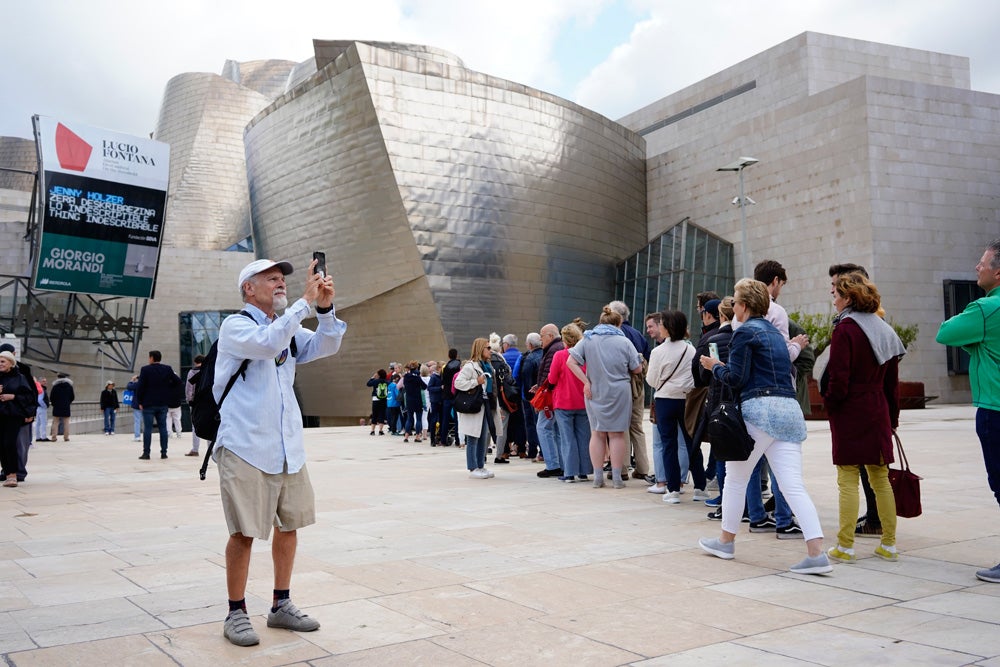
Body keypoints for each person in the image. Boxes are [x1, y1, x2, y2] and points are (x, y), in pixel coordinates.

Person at [214, 256, 346, 646]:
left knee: (288, 526)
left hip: (288, 446)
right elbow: (267, 344)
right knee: (244, 531)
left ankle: (280, 605)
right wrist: (304, 304)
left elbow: (326, 344)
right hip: (246, 446)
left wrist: (323, 308)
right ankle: (235, 611)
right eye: (270, 279)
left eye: (282, 279)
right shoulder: (235, 326)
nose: (279, 283)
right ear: (248, 289)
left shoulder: (285, 327)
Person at [698, 278, 832, 575]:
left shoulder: (744, 332)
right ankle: (816, 552)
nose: (732, 306)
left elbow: (735, 378)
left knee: (735, 479)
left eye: (734, 301)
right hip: (788, 412)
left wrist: (714, 366)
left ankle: (725, 541)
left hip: (759, 411)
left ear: (744, 306)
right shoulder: (775, 333)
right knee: (793, 484)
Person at [823, 272, 905, 564]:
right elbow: (892, 383)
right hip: (878, 408)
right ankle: (889, 544)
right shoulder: (884, 329)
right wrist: (892, 418)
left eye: (836, 294)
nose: (833, 298)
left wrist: (830, 406)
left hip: (850, 411)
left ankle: (845, 547)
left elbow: (838, 379)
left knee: (847, 479)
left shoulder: (845, 329)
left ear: (847, 298)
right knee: (880, 478)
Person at [936, 238, 1000, 583]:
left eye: (983, 262)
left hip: (995, 408)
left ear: (998, 271)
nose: (977, 267)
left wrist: (976, 340)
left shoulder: (985, 310)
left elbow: (945, 333)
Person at [566, 305, 643, 488]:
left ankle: (598, 477)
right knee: (617, 435)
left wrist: (586, 381)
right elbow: (637, 369)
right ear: (619, 323)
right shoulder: (624, 342)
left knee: (597, 433)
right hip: (619, 391)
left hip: (595, 391)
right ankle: (617, 478)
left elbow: (571, 361)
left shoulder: (588, 339)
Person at [646, 310, 707, 502]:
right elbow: (695, 376)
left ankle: (672, 490)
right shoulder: (691, 350)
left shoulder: (658, 351)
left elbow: (651, 380)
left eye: (662, 324)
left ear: (668, 327)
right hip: (687, 400)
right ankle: (700, 487)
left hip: (665, 400)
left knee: (669, 445)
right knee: (692, 443)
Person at [697, 297, 736, 518]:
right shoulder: (742, 337)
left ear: (721, 315)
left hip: (719, 398)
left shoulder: (714, 339)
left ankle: (725, 499)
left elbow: (704, 374)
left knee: (721, 451)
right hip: (740, 399)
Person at [608, 300, 653, 482]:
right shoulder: (638, 334)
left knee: (621, 426)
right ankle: (642, 468)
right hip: (638, 386)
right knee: (637, 426)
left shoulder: (615, 335)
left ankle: (622, 468)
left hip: (621, 385)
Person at [547, 323, 591, 482]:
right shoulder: (585, 354)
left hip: (563, 402)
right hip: (583, 401)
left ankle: (569, 473)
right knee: (583, 437)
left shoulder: (560, 355)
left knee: (567, 438)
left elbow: (551, 378)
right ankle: (584, 471)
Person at [455, 337, 495, 479]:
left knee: (483, 437)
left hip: (484, 405)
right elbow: (458, 383)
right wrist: (475, 382)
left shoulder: (487, 366)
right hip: (473, 406)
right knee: (473, 437)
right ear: (480, 349)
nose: (490, 351)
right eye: (488, 348)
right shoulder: (470, 366)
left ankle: (480, 465)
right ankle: (473, 467)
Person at [135, 351, 182, 460]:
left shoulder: (145, 369)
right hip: (162, 403)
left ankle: (146, 453)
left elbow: (140, 387)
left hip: (148, 403)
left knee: (148, 428)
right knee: (163, 428)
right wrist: (167, 388)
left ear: (151, 358)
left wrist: (140, 401)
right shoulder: (167, 369)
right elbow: (178, 381)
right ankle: (164, 452)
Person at [0, 351, 37, 487]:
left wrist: (13, 397)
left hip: (12, 415)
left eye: (3, 361)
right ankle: (6, 472)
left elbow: (29, 397)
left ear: (11, 363)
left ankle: (12, 475)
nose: (0, 364)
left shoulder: (20, 378)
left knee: (9, 443)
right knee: (1, 446)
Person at [534, 323, 564, 478]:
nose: (540, 339)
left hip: (550, 396)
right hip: (556, 396)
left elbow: (549, 375)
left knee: (543, 428)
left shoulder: (553, 350)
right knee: (556, 430)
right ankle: (560, 464)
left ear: (550, 336)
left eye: (542, 335)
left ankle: (553, 465)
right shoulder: (557, 347)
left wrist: (541, 390)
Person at [517, 333, 544, 460]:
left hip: (531, 397)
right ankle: (544, 451)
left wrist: (528, 397)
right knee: (543, 424)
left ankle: (533, 450)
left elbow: (523, 377)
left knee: (531, 423)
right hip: (544, 395)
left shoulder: (529, 358)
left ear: (530, 345)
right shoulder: (546, 354)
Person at [440, 349, 462, 446]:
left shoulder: (445, 366)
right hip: (456, 394)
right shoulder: (459, 365)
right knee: (457, 419)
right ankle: (458, 440)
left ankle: (443, 440)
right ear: (457, 355)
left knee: (445, 418)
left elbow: (443, 381)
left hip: (447, 394)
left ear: (449, 356)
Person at [185, 355, 205, 455]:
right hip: (207, 402)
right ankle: (211, 449)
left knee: (195, 426)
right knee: (209, 425)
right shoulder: (208, 370)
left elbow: (189, 388)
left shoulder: (192, 372)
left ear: (195, 362)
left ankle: (195, 449)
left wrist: (189, 400)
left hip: (195, 402)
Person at [402, 361, 424, 443]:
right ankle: (417, 436)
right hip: (417, 399)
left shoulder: (406, 377)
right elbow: (424, 386)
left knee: (409, 418)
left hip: (409, 399)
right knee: (418, 419)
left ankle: (406, 436)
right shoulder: (417, 377)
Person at [48, 373, 74, 442]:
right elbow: (72, 397)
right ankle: (66, 437)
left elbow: (51, 397)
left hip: (57, 406)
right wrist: (68, 402)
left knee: (55, 422)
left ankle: (54, 437)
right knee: (66, 423)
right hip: (66, 406)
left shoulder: (55, 386)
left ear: (58, 378)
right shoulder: (69, 386)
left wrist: (54, 404)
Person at [366, 369, 389, 436]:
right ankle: (380, 430)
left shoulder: (375, 381)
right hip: (384, 399)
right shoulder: (386, 382)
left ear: (378, 375)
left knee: (375, 414)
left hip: (375, 399)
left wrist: (372, 377)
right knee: (382, 414)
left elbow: (368, 384)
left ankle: (372, 431)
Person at [426, 361, 443, 445]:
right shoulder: (434, 377)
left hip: (441, 400)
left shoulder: (442, 377)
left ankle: (439, 437)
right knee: (434, 420)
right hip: (435, 401)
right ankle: (432, 439)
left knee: (441, 420)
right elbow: (429, 388)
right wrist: (440, 388)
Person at [126, 375, 142, 442]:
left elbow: (129, 387)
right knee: (147, 421)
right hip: (147, 405)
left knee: (137, 421)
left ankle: (137, 436)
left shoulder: (137, 384)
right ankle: (147, 435)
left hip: (137, 405)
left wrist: (132, 380)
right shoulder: (148, 384)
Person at [34, 377, 49, 442]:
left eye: (45, 381)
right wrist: (45, 406)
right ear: (39, 382)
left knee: (38, 423)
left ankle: (38, 437)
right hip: (41, 408)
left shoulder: (37, 388)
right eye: (43, 381)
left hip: (37, 407)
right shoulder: (41, 389)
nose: (45, 382)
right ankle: (43, 437)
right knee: (43, 423)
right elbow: (40, 400)